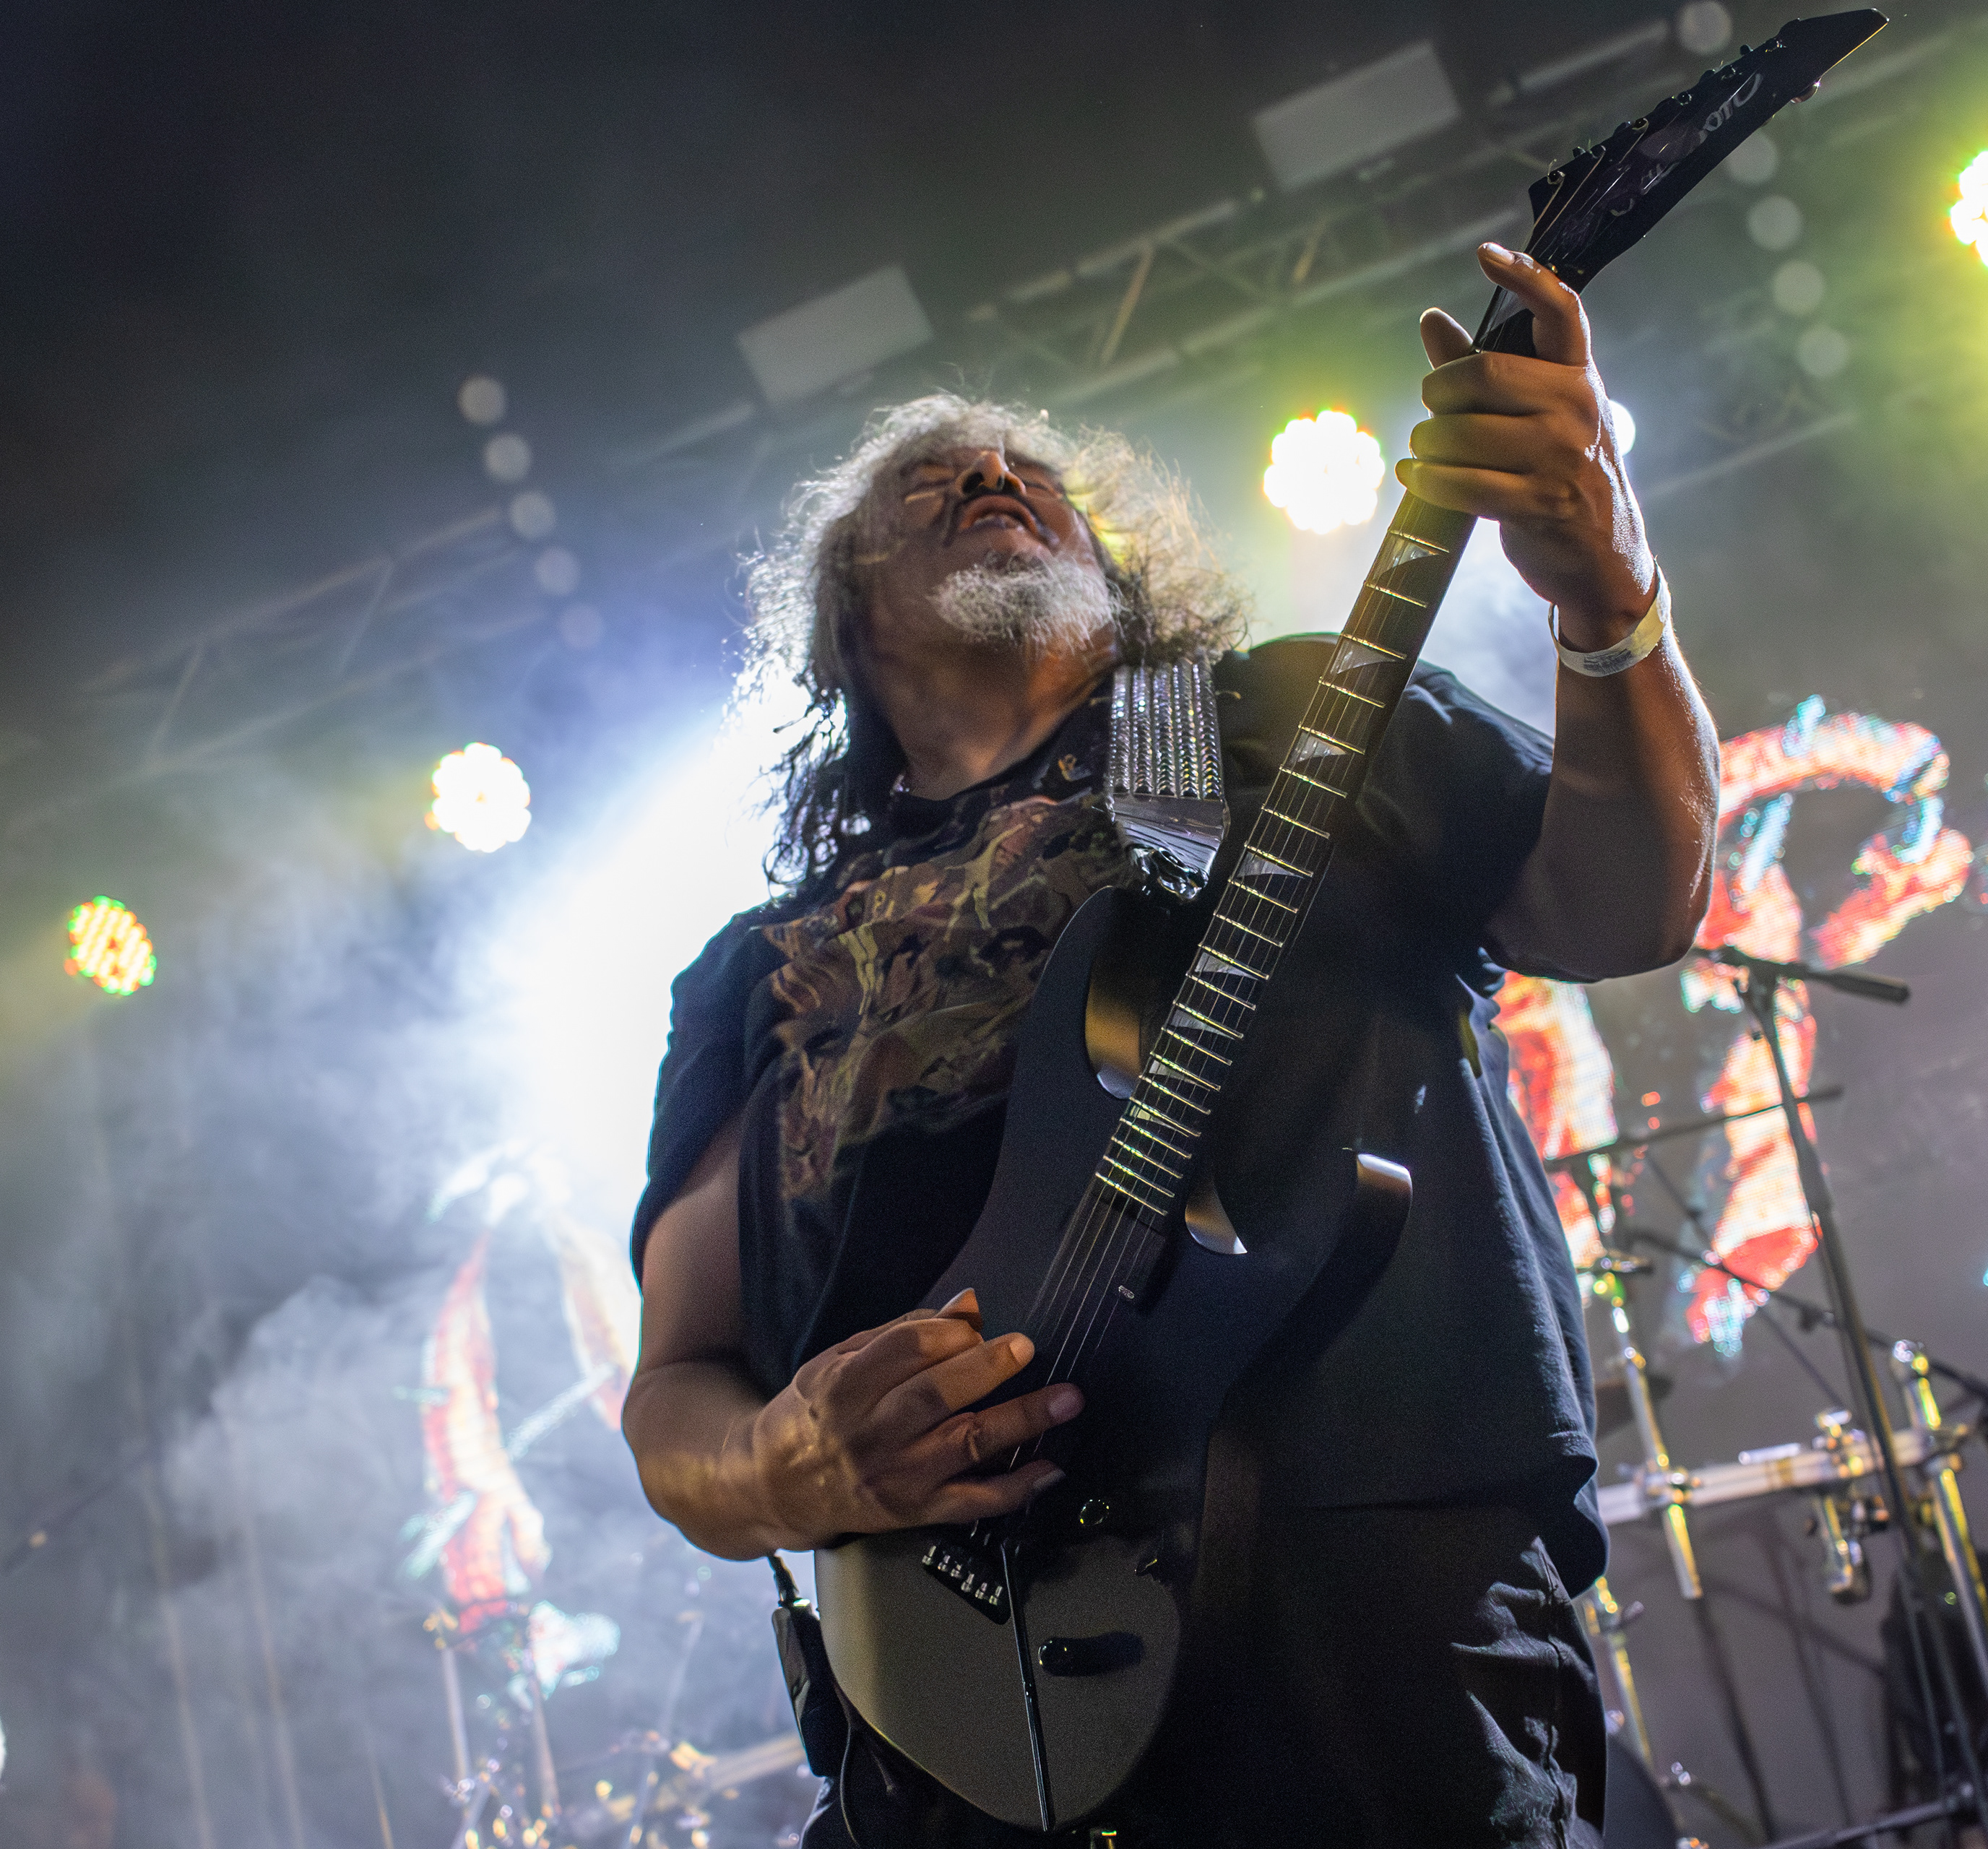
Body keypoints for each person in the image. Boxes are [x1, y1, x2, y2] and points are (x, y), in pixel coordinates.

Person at [622, 243, 1719, 1846]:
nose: (995, 478)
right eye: (929, 484)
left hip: (1365, 1605)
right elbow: (676, 1382)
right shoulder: (755, 974)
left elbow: (1627, 903)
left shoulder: (1282, 721)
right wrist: (784, 1465)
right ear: (844, 622)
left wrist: (1609, 600)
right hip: (957, 1704)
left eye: (1032, 474)